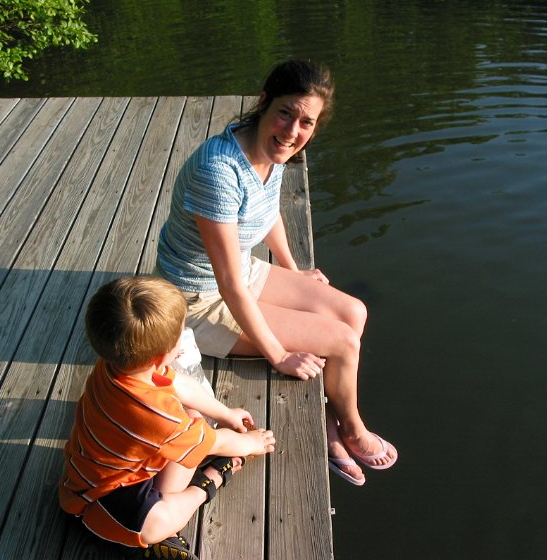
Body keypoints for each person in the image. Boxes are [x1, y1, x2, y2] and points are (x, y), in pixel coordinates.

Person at [155, 59, 398, 487]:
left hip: (240, 271)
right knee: (341, 342)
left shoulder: (276, 150)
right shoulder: (219, 170)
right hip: (194, 300)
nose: (292, 130)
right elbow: (228, 284)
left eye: (306, 121)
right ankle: (348, 431)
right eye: (286, 112)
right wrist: (279, 355)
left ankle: (331, 419)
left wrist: (294, 271)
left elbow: (267, 213)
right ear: (264, 103)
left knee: (354, 313)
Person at [59, 276, 275, 559]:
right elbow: (213, 443)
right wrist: (250, 444)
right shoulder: (154, 412)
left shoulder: (116, 367)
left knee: (192, 421)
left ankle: (166, 507)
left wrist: (224, 413)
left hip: (136, 461)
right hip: (100, 494)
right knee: (156, 523)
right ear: (160, 358)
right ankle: (207, 483)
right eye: (178, 336)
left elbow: (180, 384)